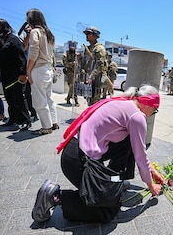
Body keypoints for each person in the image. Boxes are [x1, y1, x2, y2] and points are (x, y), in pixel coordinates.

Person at [31, 84, 164, 223]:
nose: (152, 115)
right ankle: (55, 197)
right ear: (148, 105)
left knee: (129, 142)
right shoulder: (137, 117)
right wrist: (151, 186)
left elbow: (138, 148)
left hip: (75, 150)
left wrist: (152, 172)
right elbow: (140, 156)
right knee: (107, 211)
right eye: (155, 111)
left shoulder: (124, 103)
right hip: (79, 161)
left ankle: (114, 183)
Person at [25, 9, 59, 135]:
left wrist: (28, 71)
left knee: (40, 101)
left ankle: (46, 127)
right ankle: (53, 122)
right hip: (48, 69)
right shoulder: (49, 33)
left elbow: (33, 52)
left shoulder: (35, 32)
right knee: (49, 98)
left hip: (38, 69)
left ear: (31, 20)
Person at [0, 18, 31, 130]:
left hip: (16, 75)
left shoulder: (13, 39)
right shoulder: (2, 40)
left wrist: (23, 73)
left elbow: (21, 56)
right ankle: (13, 119)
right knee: (9, 97)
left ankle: (26, 120)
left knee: (18, 98)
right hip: (5, 75)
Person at [80, 26, 110, 106]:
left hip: (95, 80)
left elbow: (99, 65)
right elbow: (85, 64)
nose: (86, 35)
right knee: (89, 102)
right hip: (88, 80)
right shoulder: (88, 48)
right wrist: (79, 59)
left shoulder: (99, 48)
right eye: (86, 33)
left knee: (95, 104)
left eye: (88, 33)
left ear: (95, 35)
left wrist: (91, 77)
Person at [63, 40, 80, 107]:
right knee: (72, 87)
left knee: (74, 87)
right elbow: (65, 63)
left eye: (74, 46)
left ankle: (68, 98)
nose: (73, 47)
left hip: (76, 73)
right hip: (69, 73)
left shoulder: (77, 54)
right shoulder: (66, 54)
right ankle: (75, 101)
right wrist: (72, 64)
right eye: (72, 45)